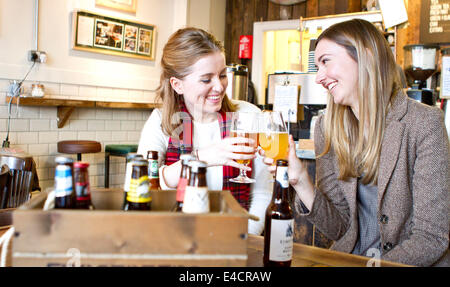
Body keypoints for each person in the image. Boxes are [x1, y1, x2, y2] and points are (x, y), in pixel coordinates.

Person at [262, 19, 449, 266]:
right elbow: (341, 229)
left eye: (325, 61)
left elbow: (432, 237)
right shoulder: (328, 128)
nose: (318, 77)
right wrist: (299, 180)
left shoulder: (424, 123)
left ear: (366, 56)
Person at [137, 27, 272, 235]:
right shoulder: (161, 122)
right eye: (206, 79)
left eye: (223, 75)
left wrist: (245, 240)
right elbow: (143, 184)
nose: (219, 86)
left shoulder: (249, 116)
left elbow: (262, 194)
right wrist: (203, 157)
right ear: (177, 84)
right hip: (175, 236)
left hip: (235, 238)